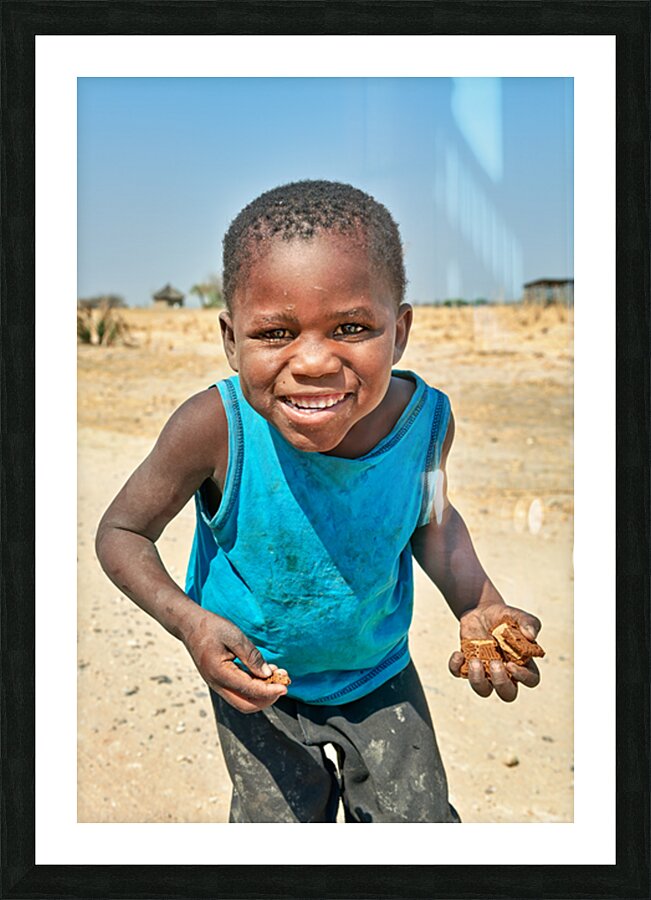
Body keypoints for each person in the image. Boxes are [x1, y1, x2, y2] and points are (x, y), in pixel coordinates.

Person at [96, 179, 542, 823]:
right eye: (275, 333)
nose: (312, 362)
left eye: (352, 327)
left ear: (400, 331)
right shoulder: (215, 428)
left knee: (415, 827)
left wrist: (482, 604)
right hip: (255, 687)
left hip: (379, 676)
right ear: (231, 339)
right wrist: (191, 624)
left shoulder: (425, 424)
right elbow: (122, 533)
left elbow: (433, 524)